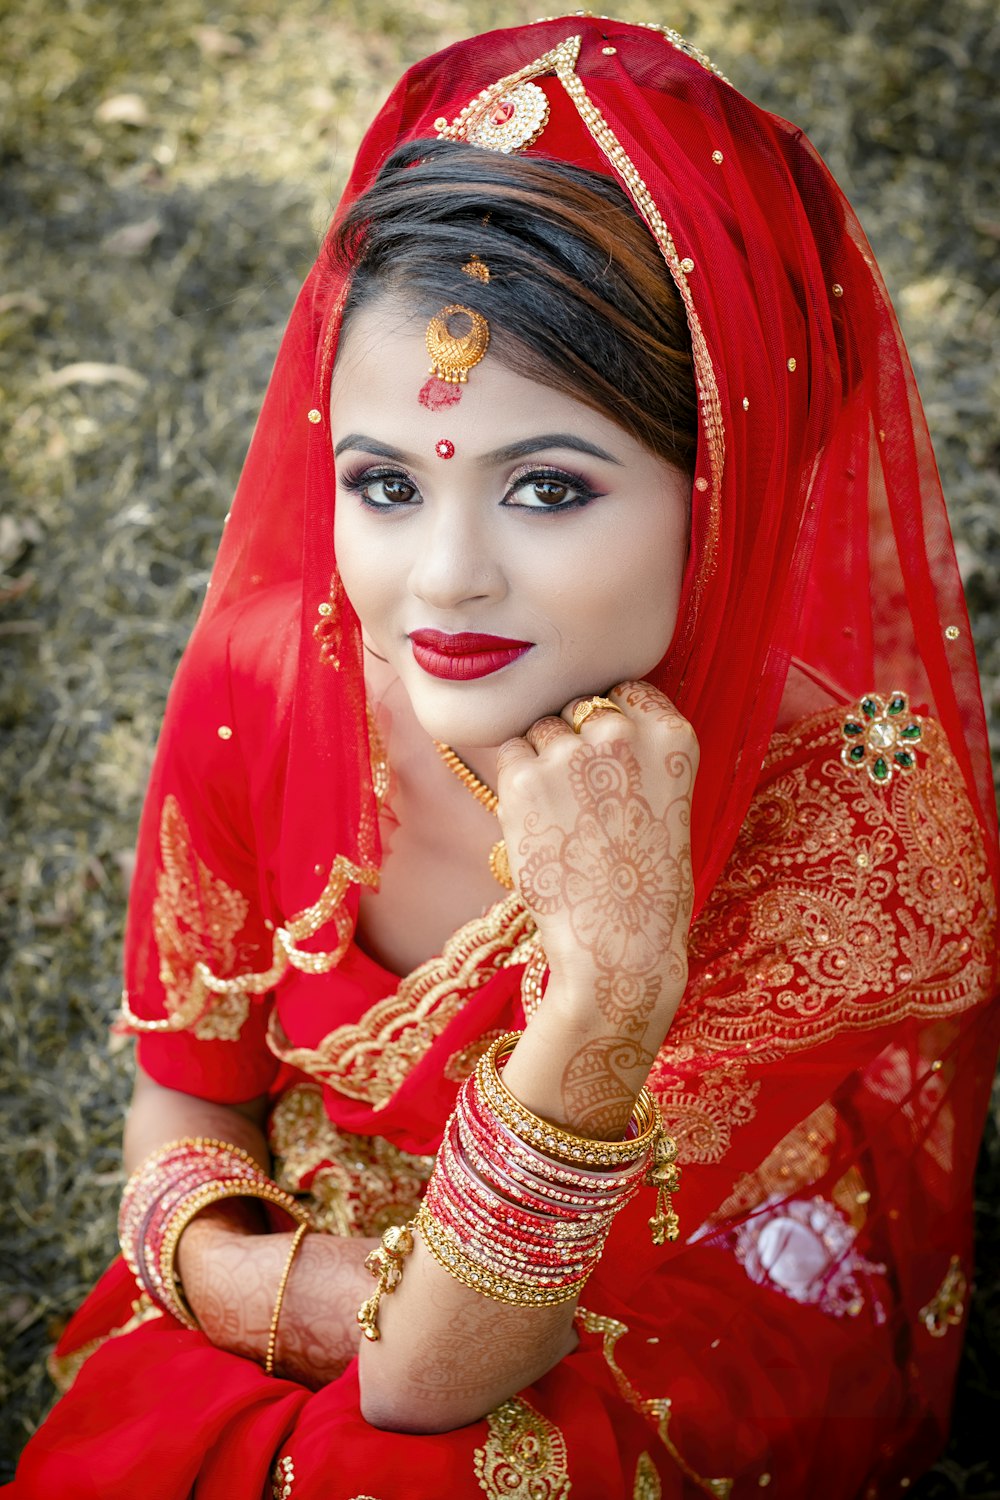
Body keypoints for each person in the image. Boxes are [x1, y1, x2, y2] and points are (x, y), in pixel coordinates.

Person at [8, 15, 998, 1499]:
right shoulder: (270, 683)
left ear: (725, 487)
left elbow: (429, 1384)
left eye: (547, 485)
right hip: (322, 1254)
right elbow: (190, 1088)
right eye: (384, 482)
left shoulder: (848, 824)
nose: (442, 580)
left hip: (669, 1298)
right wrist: (239, 1279)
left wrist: (612, 985)